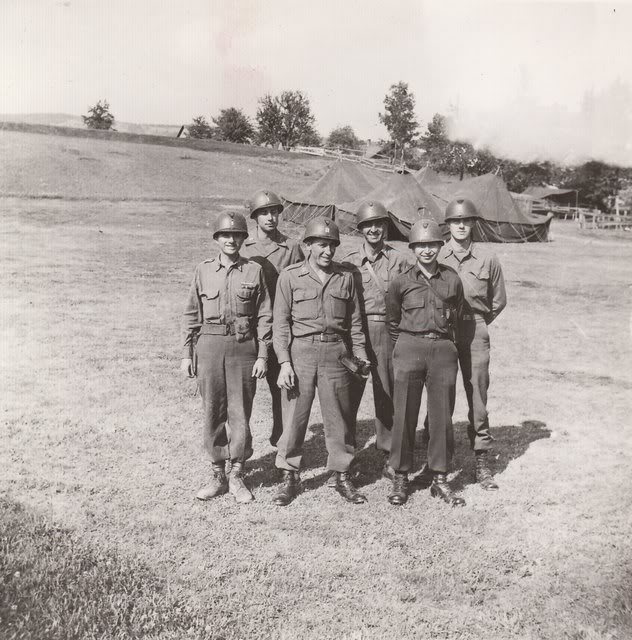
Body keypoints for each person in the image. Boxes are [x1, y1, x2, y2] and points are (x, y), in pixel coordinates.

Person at [272, 217, 369, 506]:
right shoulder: (289, 277)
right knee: (294, 418)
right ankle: (289, 475)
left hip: (336, 354)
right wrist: (284, 363)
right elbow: (280, 325)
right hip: (301, 352)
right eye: (322, 245)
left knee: (338, 417)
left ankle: (340, 473)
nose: (328, 251)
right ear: (308, 246)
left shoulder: (346, 278)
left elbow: (355, 324)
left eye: (332, 245)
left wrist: (361, 355)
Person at [180, 211, 272, 504]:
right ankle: (218, 474)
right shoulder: (203, 270)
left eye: (236, 235)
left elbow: (265, 316)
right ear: (217, 239)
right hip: (209, 346)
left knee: (240, 412)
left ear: (244, 239)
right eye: (225, 235)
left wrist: (263, 355)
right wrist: (187, 354)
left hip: (243, 348)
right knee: (212, 410)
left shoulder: (254, 271)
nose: (231, 240)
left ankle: (237, 474)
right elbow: (192, 314)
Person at [386, 219, 465, 506]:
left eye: (432, 244)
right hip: (410, 346)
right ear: (413, 248)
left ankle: (440, 478)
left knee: (442, 415)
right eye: (421, 245)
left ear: (440, 246)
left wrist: (446, 345)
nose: (427, 250)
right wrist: (406, 345)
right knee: (404, 412)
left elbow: (457, 315)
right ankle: (400, 476)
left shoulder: (452, 279)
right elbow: (392, 320)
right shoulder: (401, 281)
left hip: (443, 349)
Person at [439, 198, 507, 490]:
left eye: (466, 221)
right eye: (456, 221)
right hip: (442, 329)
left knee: (477, 393)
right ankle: (438, 457)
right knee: (441, 391)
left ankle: (481, 459)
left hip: (475, 328)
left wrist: (477, 322)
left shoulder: (488, 258)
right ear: (449, 225)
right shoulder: (437, 254)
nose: (461, 225)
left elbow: (498, 300)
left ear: (473, 224)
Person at [340, 201, 408, 480]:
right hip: (354, 331)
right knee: (348, 394)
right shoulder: (347, 261)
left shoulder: (399, 260)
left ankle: (389, 454)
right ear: (360, 229)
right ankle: (346, 455)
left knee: (387, 393)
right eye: (368, 225)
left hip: (386, 330)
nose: (374, 230)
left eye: (379, 224)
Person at [241, 190, 304, 447]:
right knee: (243, 390)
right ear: (255, 217)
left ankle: (282, 441)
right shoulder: (243, 247)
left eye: (274, 212)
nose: (270, 217)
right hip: (249, 326)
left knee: (283, 389)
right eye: (264, 213)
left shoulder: (291, 248)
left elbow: (301, 283)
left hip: (281, 327)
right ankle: (240, 447)